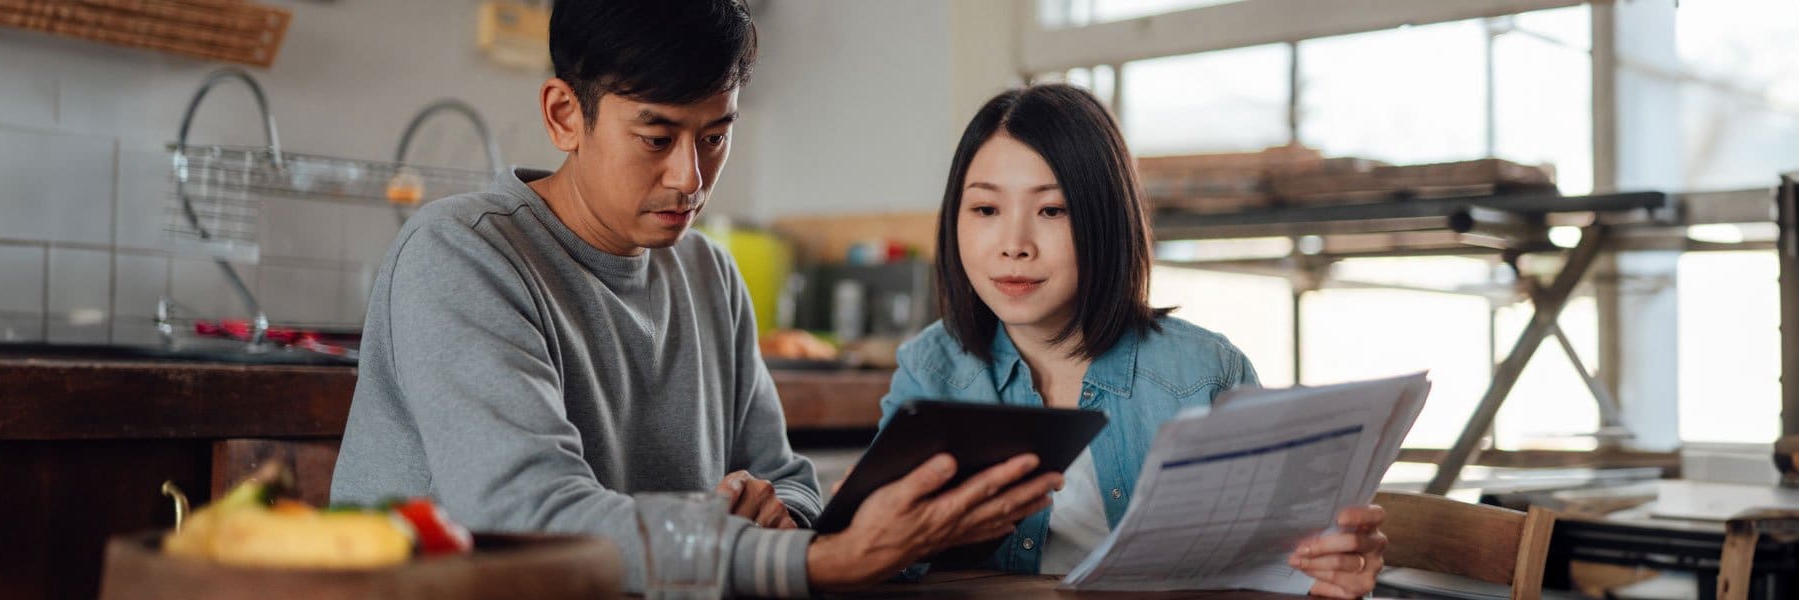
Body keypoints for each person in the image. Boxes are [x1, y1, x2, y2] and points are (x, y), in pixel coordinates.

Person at [330, 0, 1061, 596]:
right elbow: (531, 517)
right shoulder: (461, 253)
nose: (691, 177)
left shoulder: (708, 272)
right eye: (657, 137)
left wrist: (782, 514)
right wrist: (808, 561)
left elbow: (786, 478)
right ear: (563, 115)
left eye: (715, 136)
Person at [877, 84, 1387, 599]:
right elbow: (879, 560)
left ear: (1107, 219)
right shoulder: (930, 369)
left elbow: (1279, 564)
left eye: (1053, 210)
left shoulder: (1206, 374)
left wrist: (1326, 575)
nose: (1014, 246)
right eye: (986, 210)